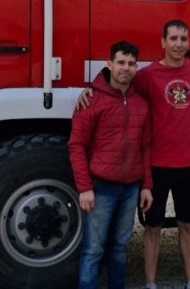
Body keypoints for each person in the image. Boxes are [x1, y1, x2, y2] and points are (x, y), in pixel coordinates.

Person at [77, 19, 190, 289]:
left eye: (184, 39)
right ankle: (150, 284)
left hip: (188, 164)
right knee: (148, 230)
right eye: (173, 38)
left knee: (187, 227)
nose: (179, 44)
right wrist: (90, 87)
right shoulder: (147, 76)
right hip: (156, 166)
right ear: (162, 42)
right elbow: (116, 86)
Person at [68, 40, 154, 289]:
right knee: (93, 249)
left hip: (131, 189)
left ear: (136, 67)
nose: (125, 68)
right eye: (120, 62)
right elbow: (76, 146)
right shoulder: (91, 100)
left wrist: (146, 185)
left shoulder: (141, 103)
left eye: (131, 64)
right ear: (109, 64)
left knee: (120, 248)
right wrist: (85, 188)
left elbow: (145, 147)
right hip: (101, 187)